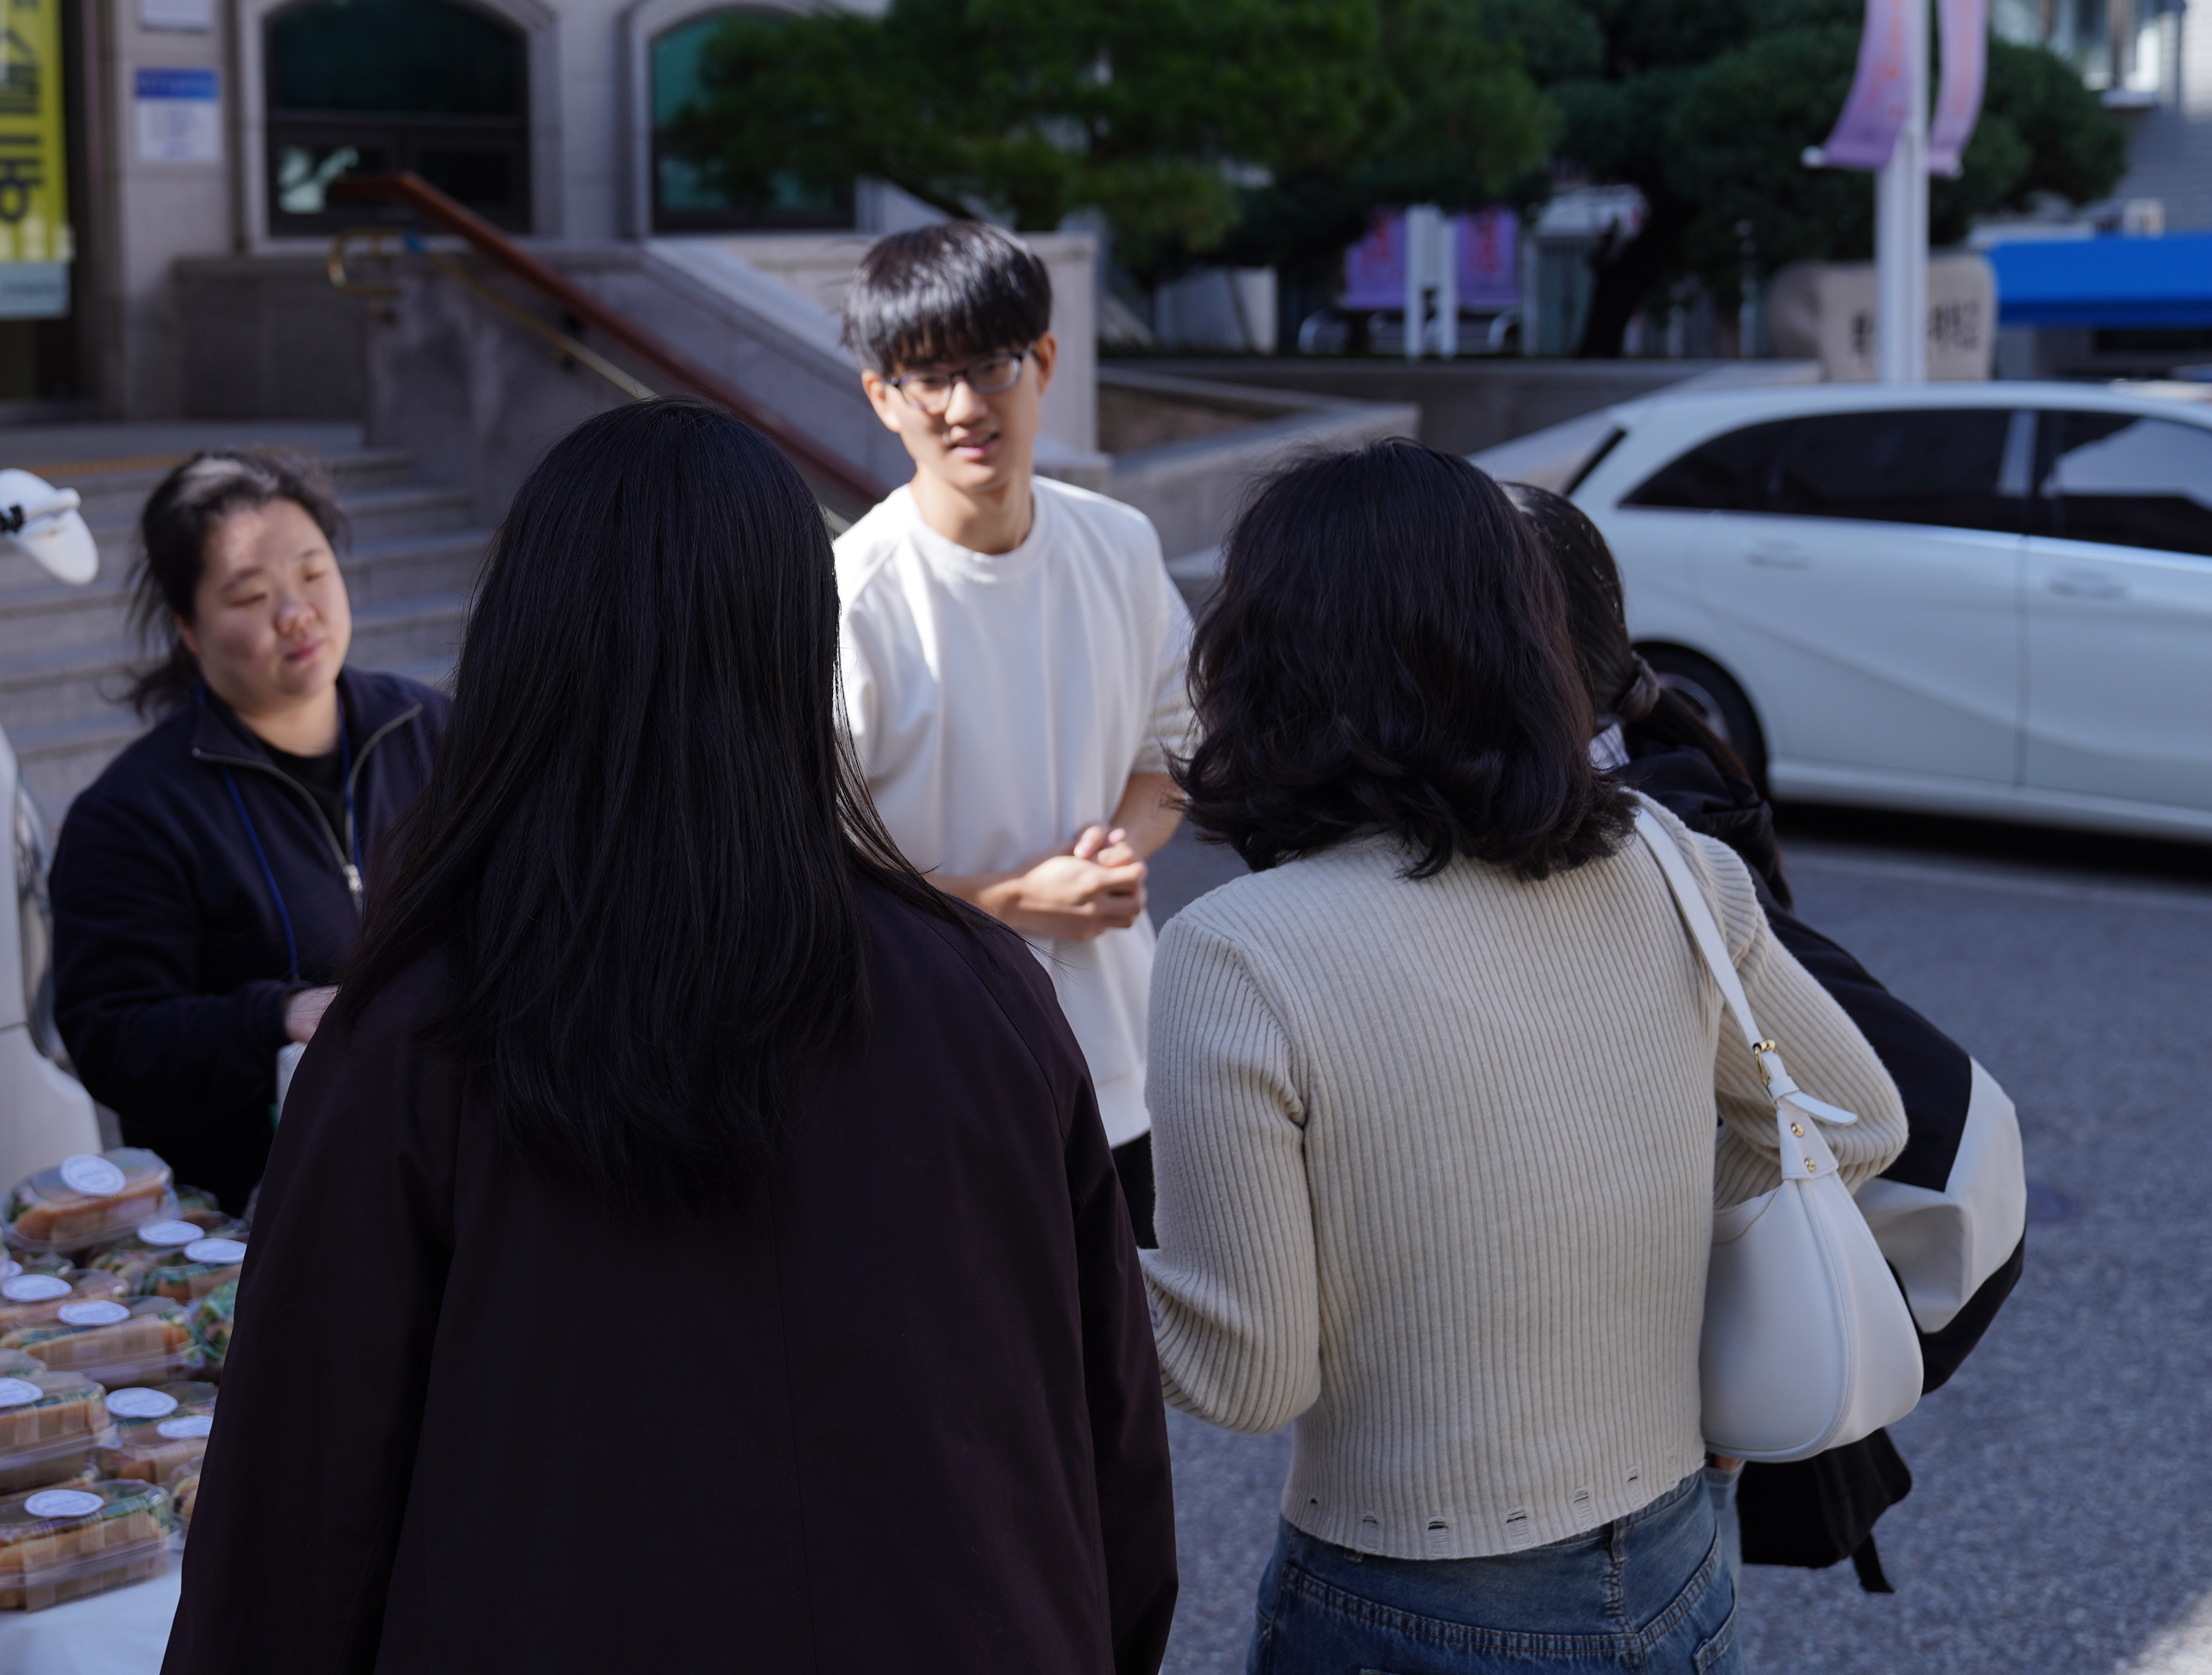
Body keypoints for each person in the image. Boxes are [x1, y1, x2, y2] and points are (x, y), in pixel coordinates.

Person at [166, 400, 1178, 1674]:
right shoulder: (981, 991)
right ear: (800, 644)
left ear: (529, 648)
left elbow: (295, 1510)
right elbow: (1111, 1438)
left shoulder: (421, 1029)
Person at [1146, 440, 1907, 1675]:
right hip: (1677, 1549)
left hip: (1413, 1592)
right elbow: (1860, 1120)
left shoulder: (1240, 948)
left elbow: (1243, 1365)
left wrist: (1046, 1262)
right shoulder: (1671, 860)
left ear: (1268, 658)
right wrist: (1633, 1215)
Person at [1512, 482, 2024, 1595]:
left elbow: (1883, 1115)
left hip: (1626, 1442)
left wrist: (1711, 1343)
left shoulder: (1628, 858)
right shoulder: (1657, 804)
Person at [831, 222, 1192, 1246]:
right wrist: (1005, 905)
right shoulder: (850, 599)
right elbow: (806, 868)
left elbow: (1174, 759)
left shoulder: (1119, 546)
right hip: (925, 1076)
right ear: (880, 396)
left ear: (1043, 359)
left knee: (1121, 1388)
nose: (961, 407)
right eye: (925, 378)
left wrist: (1119, 850)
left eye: (988, 365)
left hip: (1122, 1070)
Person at [46, 451, 445, 1207]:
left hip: (452, 1180)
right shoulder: (133, 812)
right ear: (188, 629)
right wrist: (275, 1016)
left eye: (313, 573)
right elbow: (113, 1036)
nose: (296, 613)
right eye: (253, 594)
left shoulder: (436, 734)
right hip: (251, 1227)